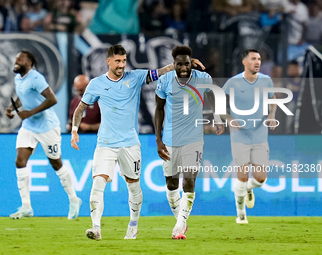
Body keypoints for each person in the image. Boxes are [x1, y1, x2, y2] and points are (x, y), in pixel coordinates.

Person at [71, 44, 204, 240]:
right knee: (98, 182)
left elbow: (160, 72)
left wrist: (182, 65)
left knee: (133, 186)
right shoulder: (96, 84)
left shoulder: (135, 77)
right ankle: (96, 227)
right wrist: (74, 130)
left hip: (130, 144)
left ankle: (133, 225)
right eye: (117, 61)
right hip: (105, 143)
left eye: (124, 61)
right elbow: (80, 109)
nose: (121, 65)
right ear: (108, 61)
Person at [154, 45, 224, 239]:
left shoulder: (203, 79)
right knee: (171, 184)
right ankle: (180, 220)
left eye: (187, 63)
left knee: (190, 179)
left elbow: (212, 98)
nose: (184, 68)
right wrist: (158, 140)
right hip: (169, 140)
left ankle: (179, 226)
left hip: (194, 139)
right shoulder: (165, 81)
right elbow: (159, 110)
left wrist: (217, 118)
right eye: (179, 64)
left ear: (192, 63)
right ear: (173, 65)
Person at [5, 50, 82, 220]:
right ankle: (26, 207)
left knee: (56, 163)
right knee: (20, 161)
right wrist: (12, 108)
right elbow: (22, 97)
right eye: (16, 58)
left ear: (30, 63)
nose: (17, 60)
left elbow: (52, 99)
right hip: (29, 127)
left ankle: (74, 199)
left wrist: (31, 112)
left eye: (21, 59)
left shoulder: (36, 78)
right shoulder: (19, 78)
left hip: (47, 127)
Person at [220, 49, 277, 224]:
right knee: (242, 177)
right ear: (244, 62)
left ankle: (249, 190)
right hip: (239, 137)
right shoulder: (233, 82)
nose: (258, 62)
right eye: (253, 59)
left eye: (259, 59)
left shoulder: (266, 81)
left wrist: (271, 115)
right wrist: (228, 119)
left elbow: (273, 101)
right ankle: (240, 213)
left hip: (260, 136)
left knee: (260, 179)